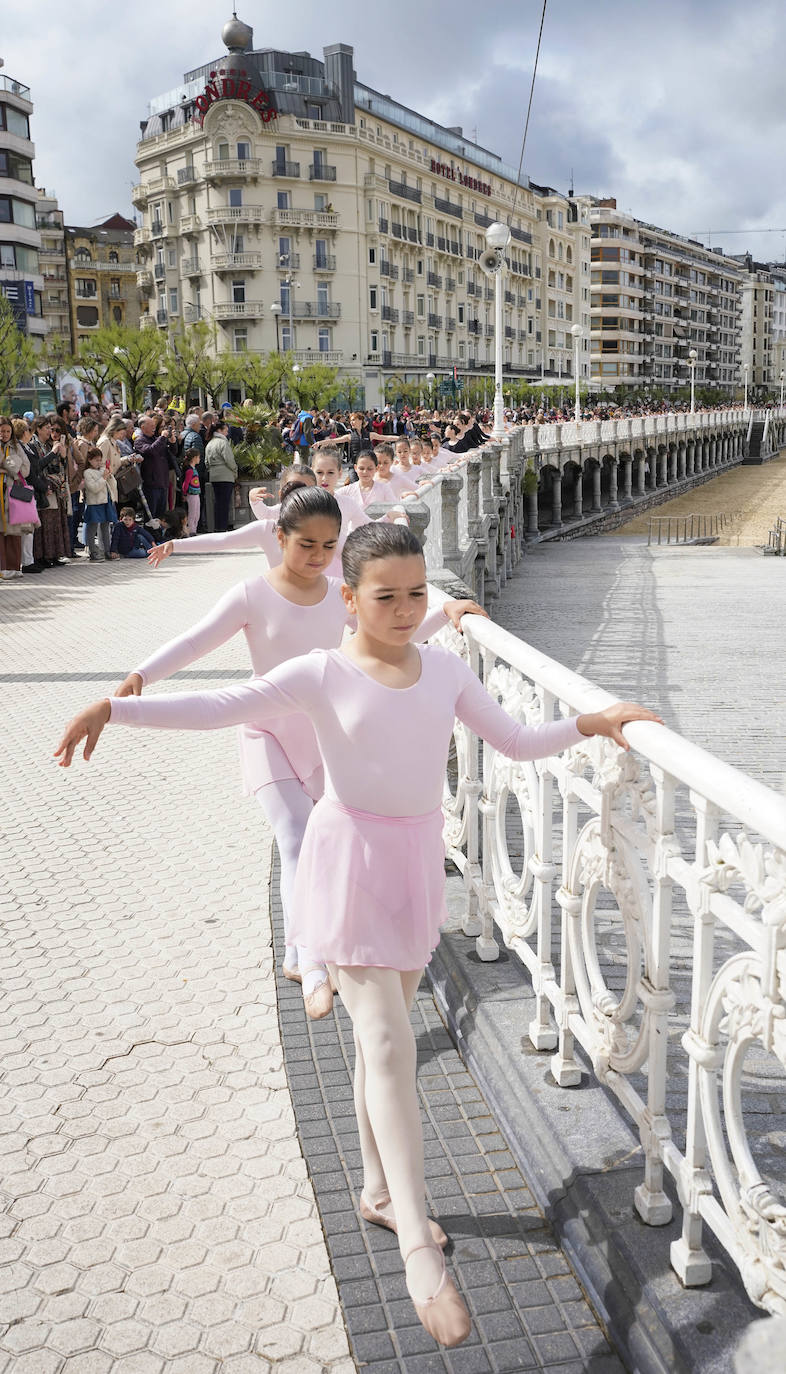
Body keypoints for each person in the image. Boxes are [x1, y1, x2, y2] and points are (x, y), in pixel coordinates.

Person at [56, 521, 661, 1348]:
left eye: (419, 594)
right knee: (386, 1046)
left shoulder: (444, 668)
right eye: (388, 596)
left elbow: (515, 742)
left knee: (382, 1048)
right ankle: (418, 1249)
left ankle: (376, 1188)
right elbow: (218, 706)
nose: (408, 609)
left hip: (412, 865)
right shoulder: (321, 671)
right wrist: (115, 708)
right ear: (350, 599)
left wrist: (593, 722)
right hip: (346, 863)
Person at [117, 486, 482, 1017]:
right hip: (266, 733)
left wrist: (447, 609)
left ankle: (318, 945)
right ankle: (308, 962)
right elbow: (196, 642)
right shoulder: (250, 594)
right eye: (306, 544)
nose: (317, 556)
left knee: (317, 842)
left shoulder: (339, 590)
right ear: (279, 536)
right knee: (293, 837)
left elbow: (391, 629)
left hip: (321, 736)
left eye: (329, 546)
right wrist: (141, 674)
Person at [28, 415, 71, 568]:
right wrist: (53, 452)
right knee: (44, 524)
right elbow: (37, 467)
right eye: (47, 428)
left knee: (54, 524)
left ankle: (53, 554)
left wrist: (63, 456)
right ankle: (41, 556)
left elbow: (56, 467)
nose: (49, 431)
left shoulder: (47, 444)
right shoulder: (33, 445)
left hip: (53, 487)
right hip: (42, 488)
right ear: (38, 429)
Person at [0, 415, 36, 578]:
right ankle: (2, 568)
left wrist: (8, 468)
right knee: (1, 531)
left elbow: (26, 468)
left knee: (14, 531)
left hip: (13, 493)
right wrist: (12, 467)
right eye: (2, 431)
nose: (5, 434)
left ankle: (14, 567)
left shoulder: (16, 446)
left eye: (8, 431)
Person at [135, 415, 176, 519]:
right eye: (151, 425)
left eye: (154, 425)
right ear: (143, 427)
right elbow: (151, 451)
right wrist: (162, 438)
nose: (154, 428)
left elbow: (172, 453)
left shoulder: (156, 439)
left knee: (161, 516)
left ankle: (159, 534)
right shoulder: (140, 441)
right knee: (151, 516)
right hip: (151, 484)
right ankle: (151, 534)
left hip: (163, 482)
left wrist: (172, 442)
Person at [82, 447, 116, 562]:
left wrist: (109, 475)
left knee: (105, 527)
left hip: (105, 502)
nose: (99, 462)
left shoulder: (102, 470)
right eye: (96, 460)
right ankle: (93, 552)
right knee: (92, 528)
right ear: (90, 460)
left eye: (100, 460)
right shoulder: (87, 473)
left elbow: (111, 484)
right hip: (94, 503)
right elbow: (94, 488)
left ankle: (107, 551)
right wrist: (104, 478)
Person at [204, 419, 238, 533]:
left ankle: (218, 525)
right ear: (220, 430)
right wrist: (235, 471)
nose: (227, 433)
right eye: (226, 431)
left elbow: (206, 462)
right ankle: (222, 526)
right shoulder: (223, 442)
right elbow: (229, 460)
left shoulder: (210, 443)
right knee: (224, 502)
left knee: (218, 502)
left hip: (214, 476)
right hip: (226, 475)